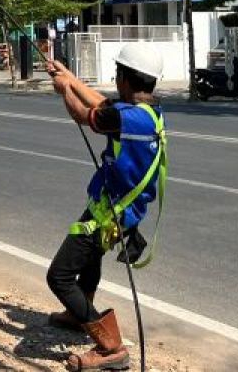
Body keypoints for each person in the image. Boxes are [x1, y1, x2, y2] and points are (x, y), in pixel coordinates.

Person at [43, 44, 166, 372]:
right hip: (118, 211)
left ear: (126, 78)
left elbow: (85, 114)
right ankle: (77, 315)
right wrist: (68, 75)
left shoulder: (128, 118)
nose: (115, 80)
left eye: (117, 74)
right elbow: (101, 103)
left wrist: (64, 90)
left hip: (110, 214)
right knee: (91, 258)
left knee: (60, 275)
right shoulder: (147, 113)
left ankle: (110, 346)